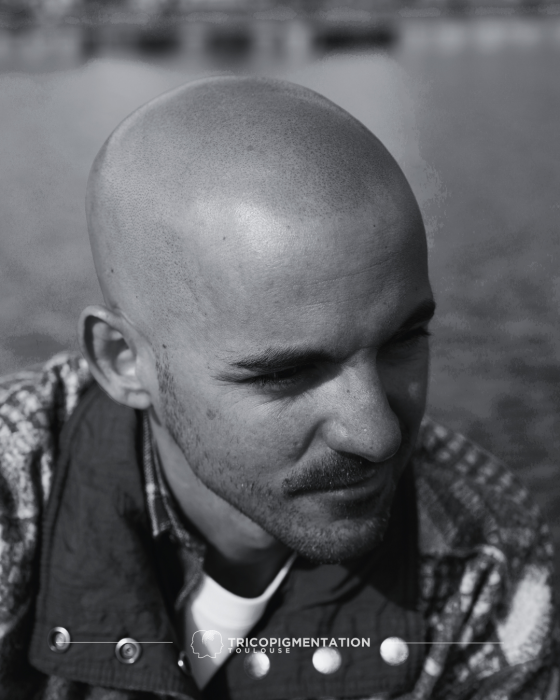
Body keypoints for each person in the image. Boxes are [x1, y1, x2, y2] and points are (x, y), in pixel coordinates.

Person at [0, 76, 557, 700]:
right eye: (286, 374)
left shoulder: (484, 555)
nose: (377, 435)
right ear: (124, 361)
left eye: (404, 340)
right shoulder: (15, 494)